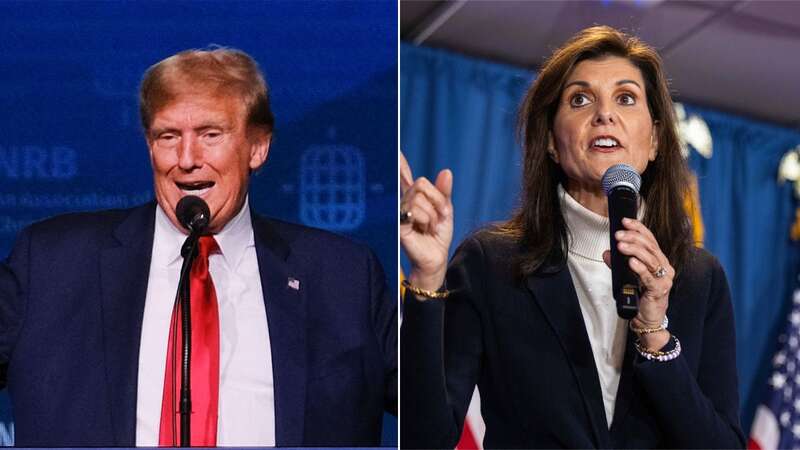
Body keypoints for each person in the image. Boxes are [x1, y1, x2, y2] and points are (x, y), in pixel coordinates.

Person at [0, 48, 396, 447]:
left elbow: (432, 421)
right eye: (168, 137)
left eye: (210, 135)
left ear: (258, 147)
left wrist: (429, 280)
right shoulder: (52, 263)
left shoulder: (342, 276)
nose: (187, 159)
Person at [400, 26, 744, 448]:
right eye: (580, 99)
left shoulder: (698, 278)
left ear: (654, 139)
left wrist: (655, 333)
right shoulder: (491, 262)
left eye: (626, 98)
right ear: (549, 140)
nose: (604, 115)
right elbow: (423, 438)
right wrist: (426, 280)